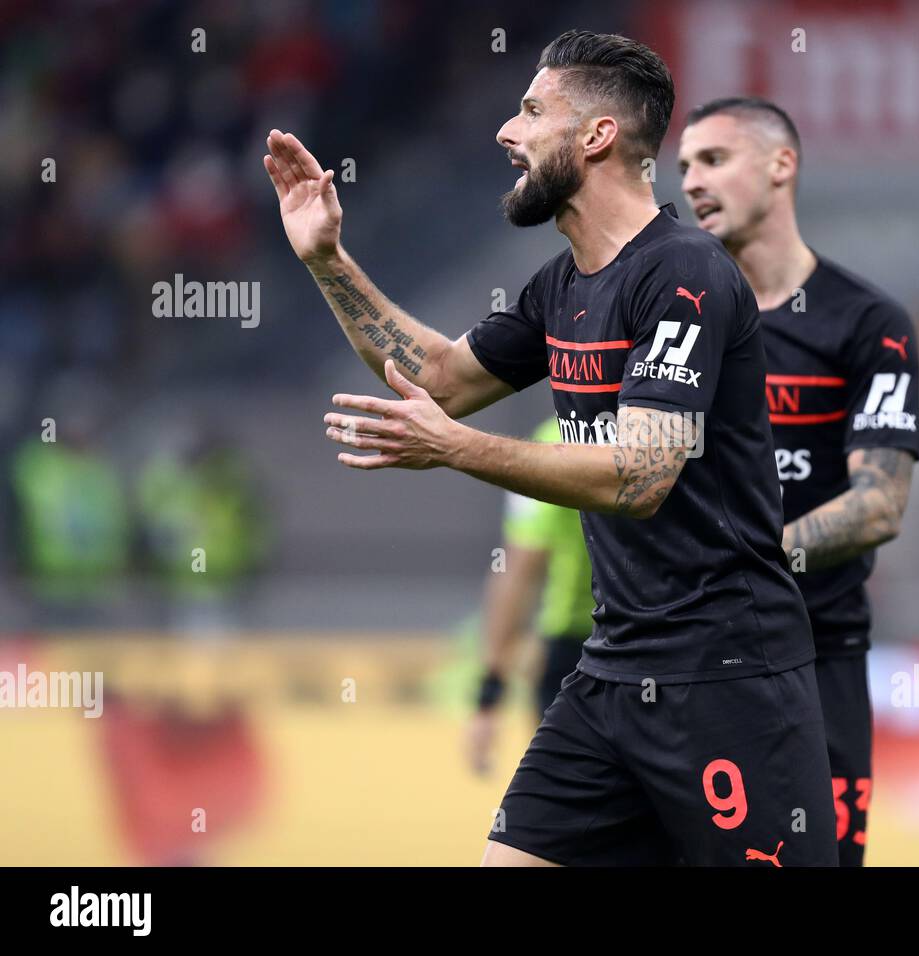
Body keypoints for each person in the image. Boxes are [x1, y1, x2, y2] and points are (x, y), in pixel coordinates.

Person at [264, 31, 837, 866]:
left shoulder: (685, 275)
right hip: (611, 672)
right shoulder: (561, 285)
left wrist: (458, 449)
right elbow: (441, 378)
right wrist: (327, 260)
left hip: (727, 680)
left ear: (597, 136)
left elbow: (640, 476)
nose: (507, 131)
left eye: (531, 111)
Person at [679, 97, 919, 865]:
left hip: (820, 657)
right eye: (683, 166)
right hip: (687, 657)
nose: (690, 182)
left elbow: (879, 504)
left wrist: (744, 563)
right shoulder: (677, 315)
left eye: (713, 160)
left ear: (782, 166)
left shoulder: (867, 323)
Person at [465, 417, 593, 776]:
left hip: (577, 654)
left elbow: (518, 572)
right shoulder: (680, 428)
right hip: (666, 643)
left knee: (567, 806)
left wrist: (489, 696)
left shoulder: (552, 442)